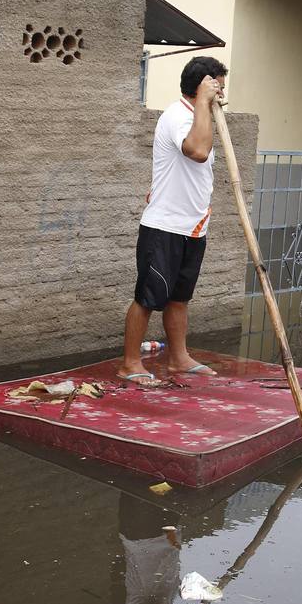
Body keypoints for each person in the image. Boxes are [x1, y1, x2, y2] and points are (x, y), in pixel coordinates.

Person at [118, 56, 228, 384]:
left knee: (180, 297)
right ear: (201, 86)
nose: (222, 94)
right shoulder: (179, 115)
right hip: (164, 226)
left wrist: (208, 106)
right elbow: (197, 150)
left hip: (193, 226)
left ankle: (179, 357)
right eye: (217, 87)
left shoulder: (201, 117)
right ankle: (130, 362)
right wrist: (205, 104)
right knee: (149, 296)